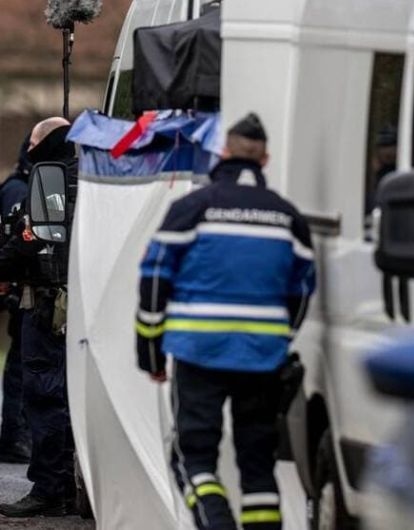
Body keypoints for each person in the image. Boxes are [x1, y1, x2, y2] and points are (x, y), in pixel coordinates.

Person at [135, 113, 316, 530]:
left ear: (223, 153)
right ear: (265, 160)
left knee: (193, 457)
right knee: (258, 462)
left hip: (198, 352)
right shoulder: (290, 218)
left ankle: (217, 524)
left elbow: (154, 282)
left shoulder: (191, 210)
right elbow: (304, 290)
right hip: (262, 357)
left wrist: (150, 353)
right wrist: (279, 339)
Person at [0, 116, 78, 518]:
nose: (29, 146)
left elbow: (31, 238)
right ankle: (73, 485)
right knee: (70, 400)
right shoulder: (97, 179)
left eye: (35, 140)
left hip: (49, 307)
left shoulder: (51, 183)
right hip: (85, 309)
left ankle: (49, 488)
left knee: (44, 397)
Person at [0, 132, 34, 465]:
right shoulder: (18, 190)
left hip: (24, 290)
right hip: (22, 292)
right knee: (21, 368)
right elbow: (12, 240)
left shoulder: (24, 185)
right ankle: (14, 439)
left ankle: (22, 437)